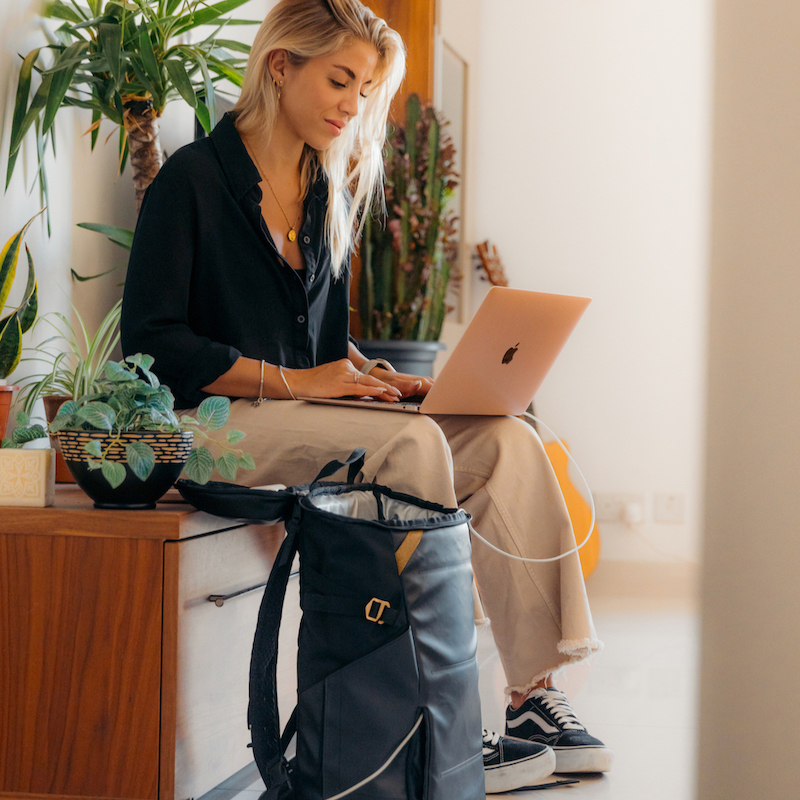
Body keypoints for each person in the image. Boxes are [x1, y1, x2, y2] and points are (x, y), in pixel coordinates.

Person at [121, 0, 612, 791]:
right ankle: (439, 713)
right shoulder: (192, 179)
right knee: (413, 446)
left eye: (366, 88)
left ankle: (531, 697)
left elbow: (317, 343)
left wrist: (374, 376)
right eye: (340, 80)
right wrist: (296, 382)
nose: (353, 105)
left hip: (301, 414)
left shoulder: (324, 191)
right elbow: (150, 344)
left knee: (503, 439)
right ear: (280, 66)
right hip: (204, 426)